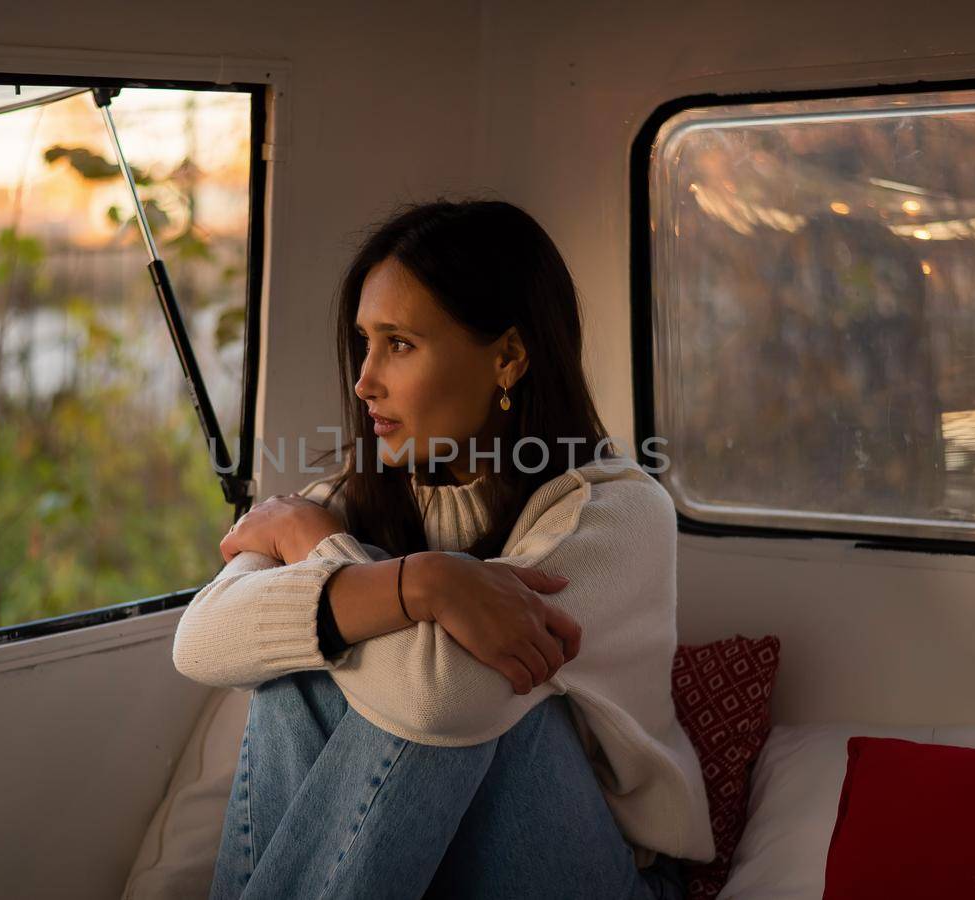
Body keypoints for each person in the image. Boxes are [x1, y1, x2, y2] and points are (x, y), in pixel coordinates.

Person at [172, 200, 709, 899]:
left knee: (473, 692)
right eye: (364, 341)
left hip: (592, 871)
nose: (365, 381)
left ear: (508, 358)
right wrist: (421, 583)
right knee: (295, 661)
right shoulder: (348, 493)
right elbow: (200, 642)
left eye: (399, 343)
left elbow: (442, 705)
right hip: (423, 864)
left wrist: (328, 556)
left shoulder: (621, 511)